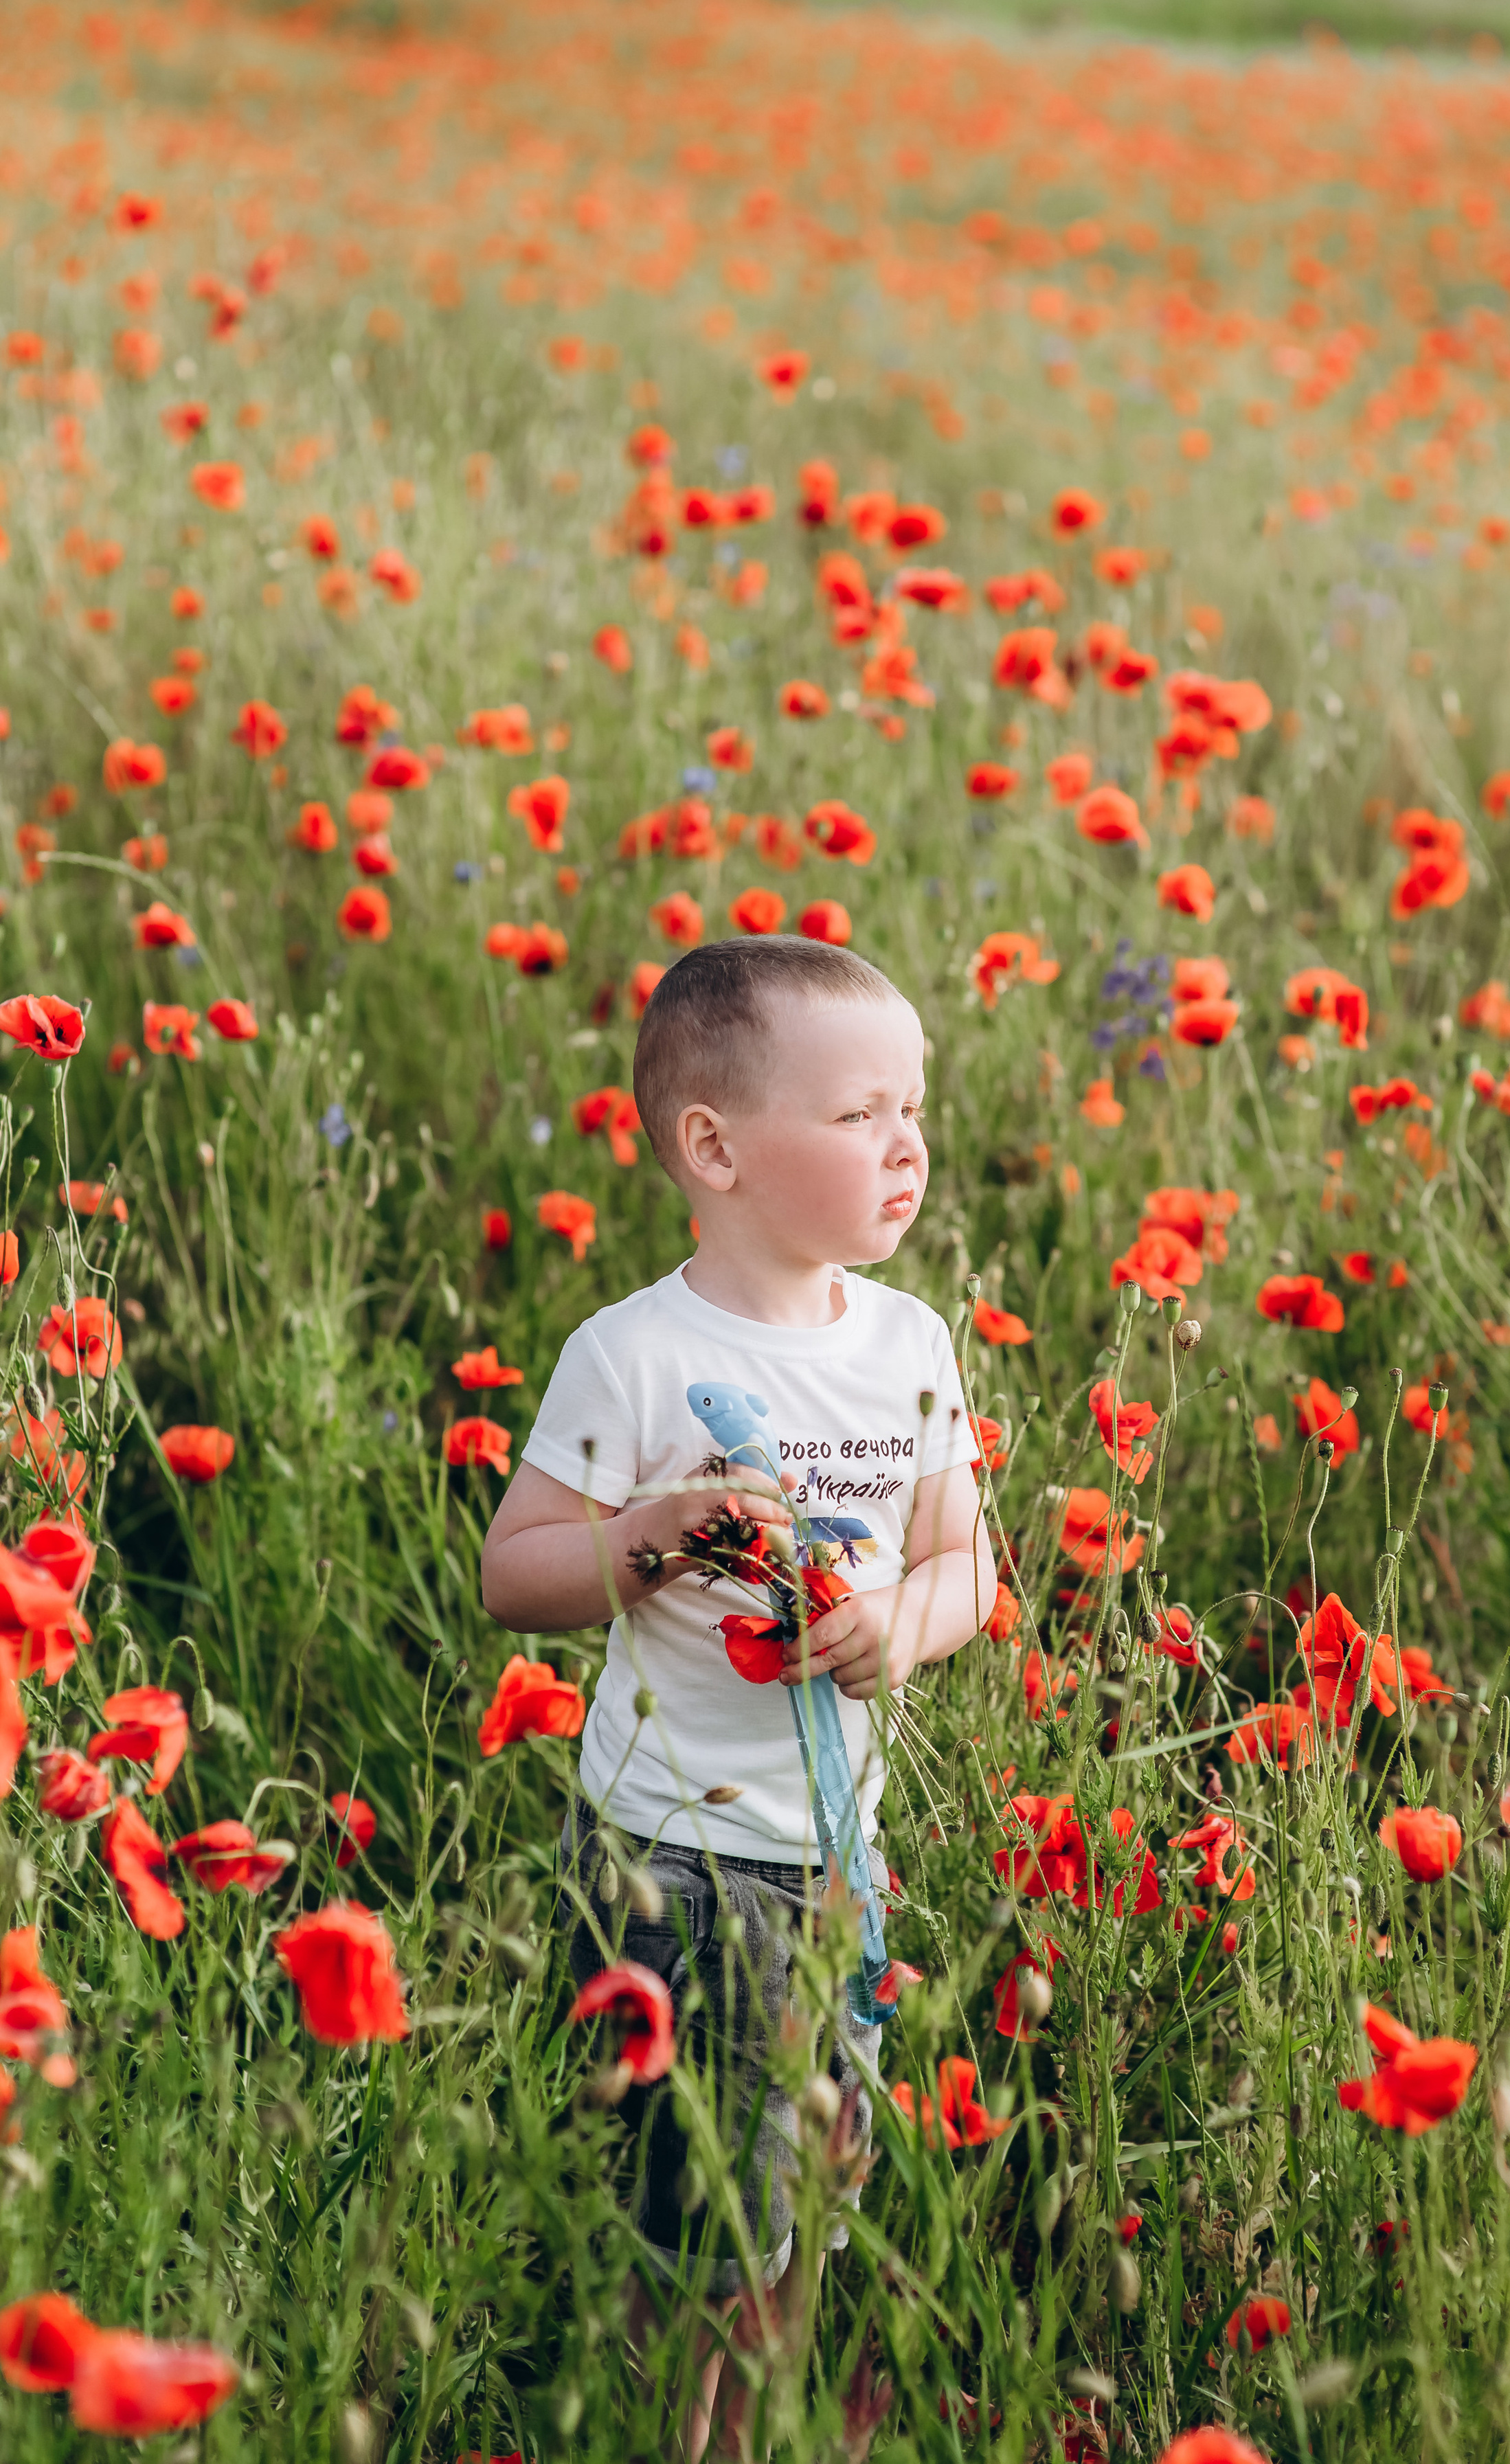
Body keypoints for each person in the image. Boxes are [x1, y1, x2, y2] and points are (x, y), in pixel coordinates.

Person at [481, 934, 998, 2459]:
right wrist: (649, 1539)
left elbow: (969, 1565)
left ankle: (768, 2406)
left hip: (840, 1859)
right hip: (674, 1867)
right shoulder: (634, 1355)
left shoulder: (909, 1343)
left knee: (814, 2179)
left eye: (912, 1108)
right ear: (712, 1147)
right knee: (698, 2207)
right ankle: (680, 2420)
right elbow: (517, 1572)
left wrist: (903, 1622)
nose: (904, 1146)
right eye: (856, 1117)